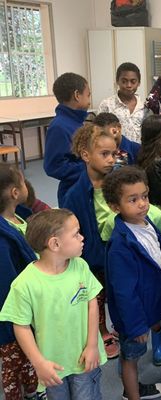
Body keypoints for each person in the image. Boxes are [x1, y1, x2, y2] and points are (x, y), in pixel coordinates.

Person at [0, 209, 107, 399]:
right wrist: (39, 362)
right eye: (76, 234)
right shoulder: (25, 284)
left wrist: (92, 345)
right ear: (55, 244)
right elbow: (21, 326)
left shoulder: (80, 266)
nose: (82, 238)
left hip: (84, 360)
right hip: (52, 366)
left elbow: (92, 302)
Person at [103, 167, 161, 400]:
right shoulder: (121, 245)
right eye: (133, 200)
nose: (142, 204)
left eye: (144, 196)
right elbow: (123, 292)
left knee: (131, 353)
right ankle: (132, 394)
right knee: (131, 359)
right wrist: (135, 325)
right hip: (135, 315)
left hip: (148, 304)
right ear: (115, 206)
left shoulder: (145, 223)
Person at [62, 124, 120, 360]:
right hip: (93, 257)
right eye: (104, 154)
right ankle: (101, 331)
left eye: (114, 154)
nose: (111, 160)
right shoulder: (75, 193)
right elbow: (72, 230)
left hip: (117, 250)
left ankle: (120, 327)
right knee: (96, 297)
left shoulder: (115, 184)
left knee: (118, 291)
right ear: (86, 156)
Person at [0, 165, 38, 400]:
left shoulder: (19, 216)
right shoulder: (3, 238)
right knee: (14, 364)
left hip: (25, 306)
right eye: (24, 182)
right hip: (11, 317)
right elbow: (6, 284)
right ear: (15, 192)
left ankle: (32, 390)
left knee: (28, 359)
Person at [43, 72, 90, 207]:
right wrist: (89, 169)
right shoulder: (59, 126)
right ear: (77, 95)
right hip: (73, 192)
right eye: (88, 95)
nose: (89, 100)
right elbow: (53, 166)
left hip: (85, 185)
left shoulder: (76, 122)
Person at [98, 62, 147, 143]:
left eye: (133, 81)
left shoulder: (144, 107)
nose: (128, 85)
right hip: (115, 153)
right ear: (117, 81)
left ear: (139, 83)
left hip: (139, 153)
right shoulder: (107, 104)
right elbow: (99, 132)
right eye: (124, 81)